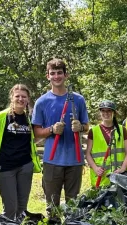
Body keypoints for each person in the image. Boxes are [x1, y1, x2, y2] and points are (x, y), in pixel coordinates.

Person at [32, 59, 89, 212]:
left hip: (74, 160)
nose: (56, 76)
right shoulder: (42, 102)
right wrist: (51, 130)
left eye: (59, 73)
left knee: (73, 205)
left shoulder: (78, 99)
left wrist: (80, 127)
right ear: (47, 76)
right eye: (53, 73)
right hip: (52, 161)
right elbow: (36, 133)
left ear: (66, 75)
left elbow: (87, 126)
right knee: (52, 207)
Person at [0, 84, 42, 220]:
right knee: (10, 207)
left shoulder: (29, 119)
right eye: (17, 96)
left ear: (28, 99)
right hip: (6, 167)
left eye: (24, 96)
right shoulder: (1, 117)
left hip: (25, 166)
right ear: (12, 97)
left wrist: (51, 131)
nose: (20, 99)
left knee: (22, 207)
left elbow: (31, 141)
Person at [85, 100, 127, 188]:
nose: (106, 113)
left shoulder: (122, 130)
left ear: (114, 113)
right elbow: (88, 154)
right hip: (100, 177)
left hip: (118, 176)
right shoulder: (93, 131)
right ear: (100, 112)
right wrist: (95, 168)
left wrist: (122, 169)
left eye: (109, 111)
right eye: (103, 111)